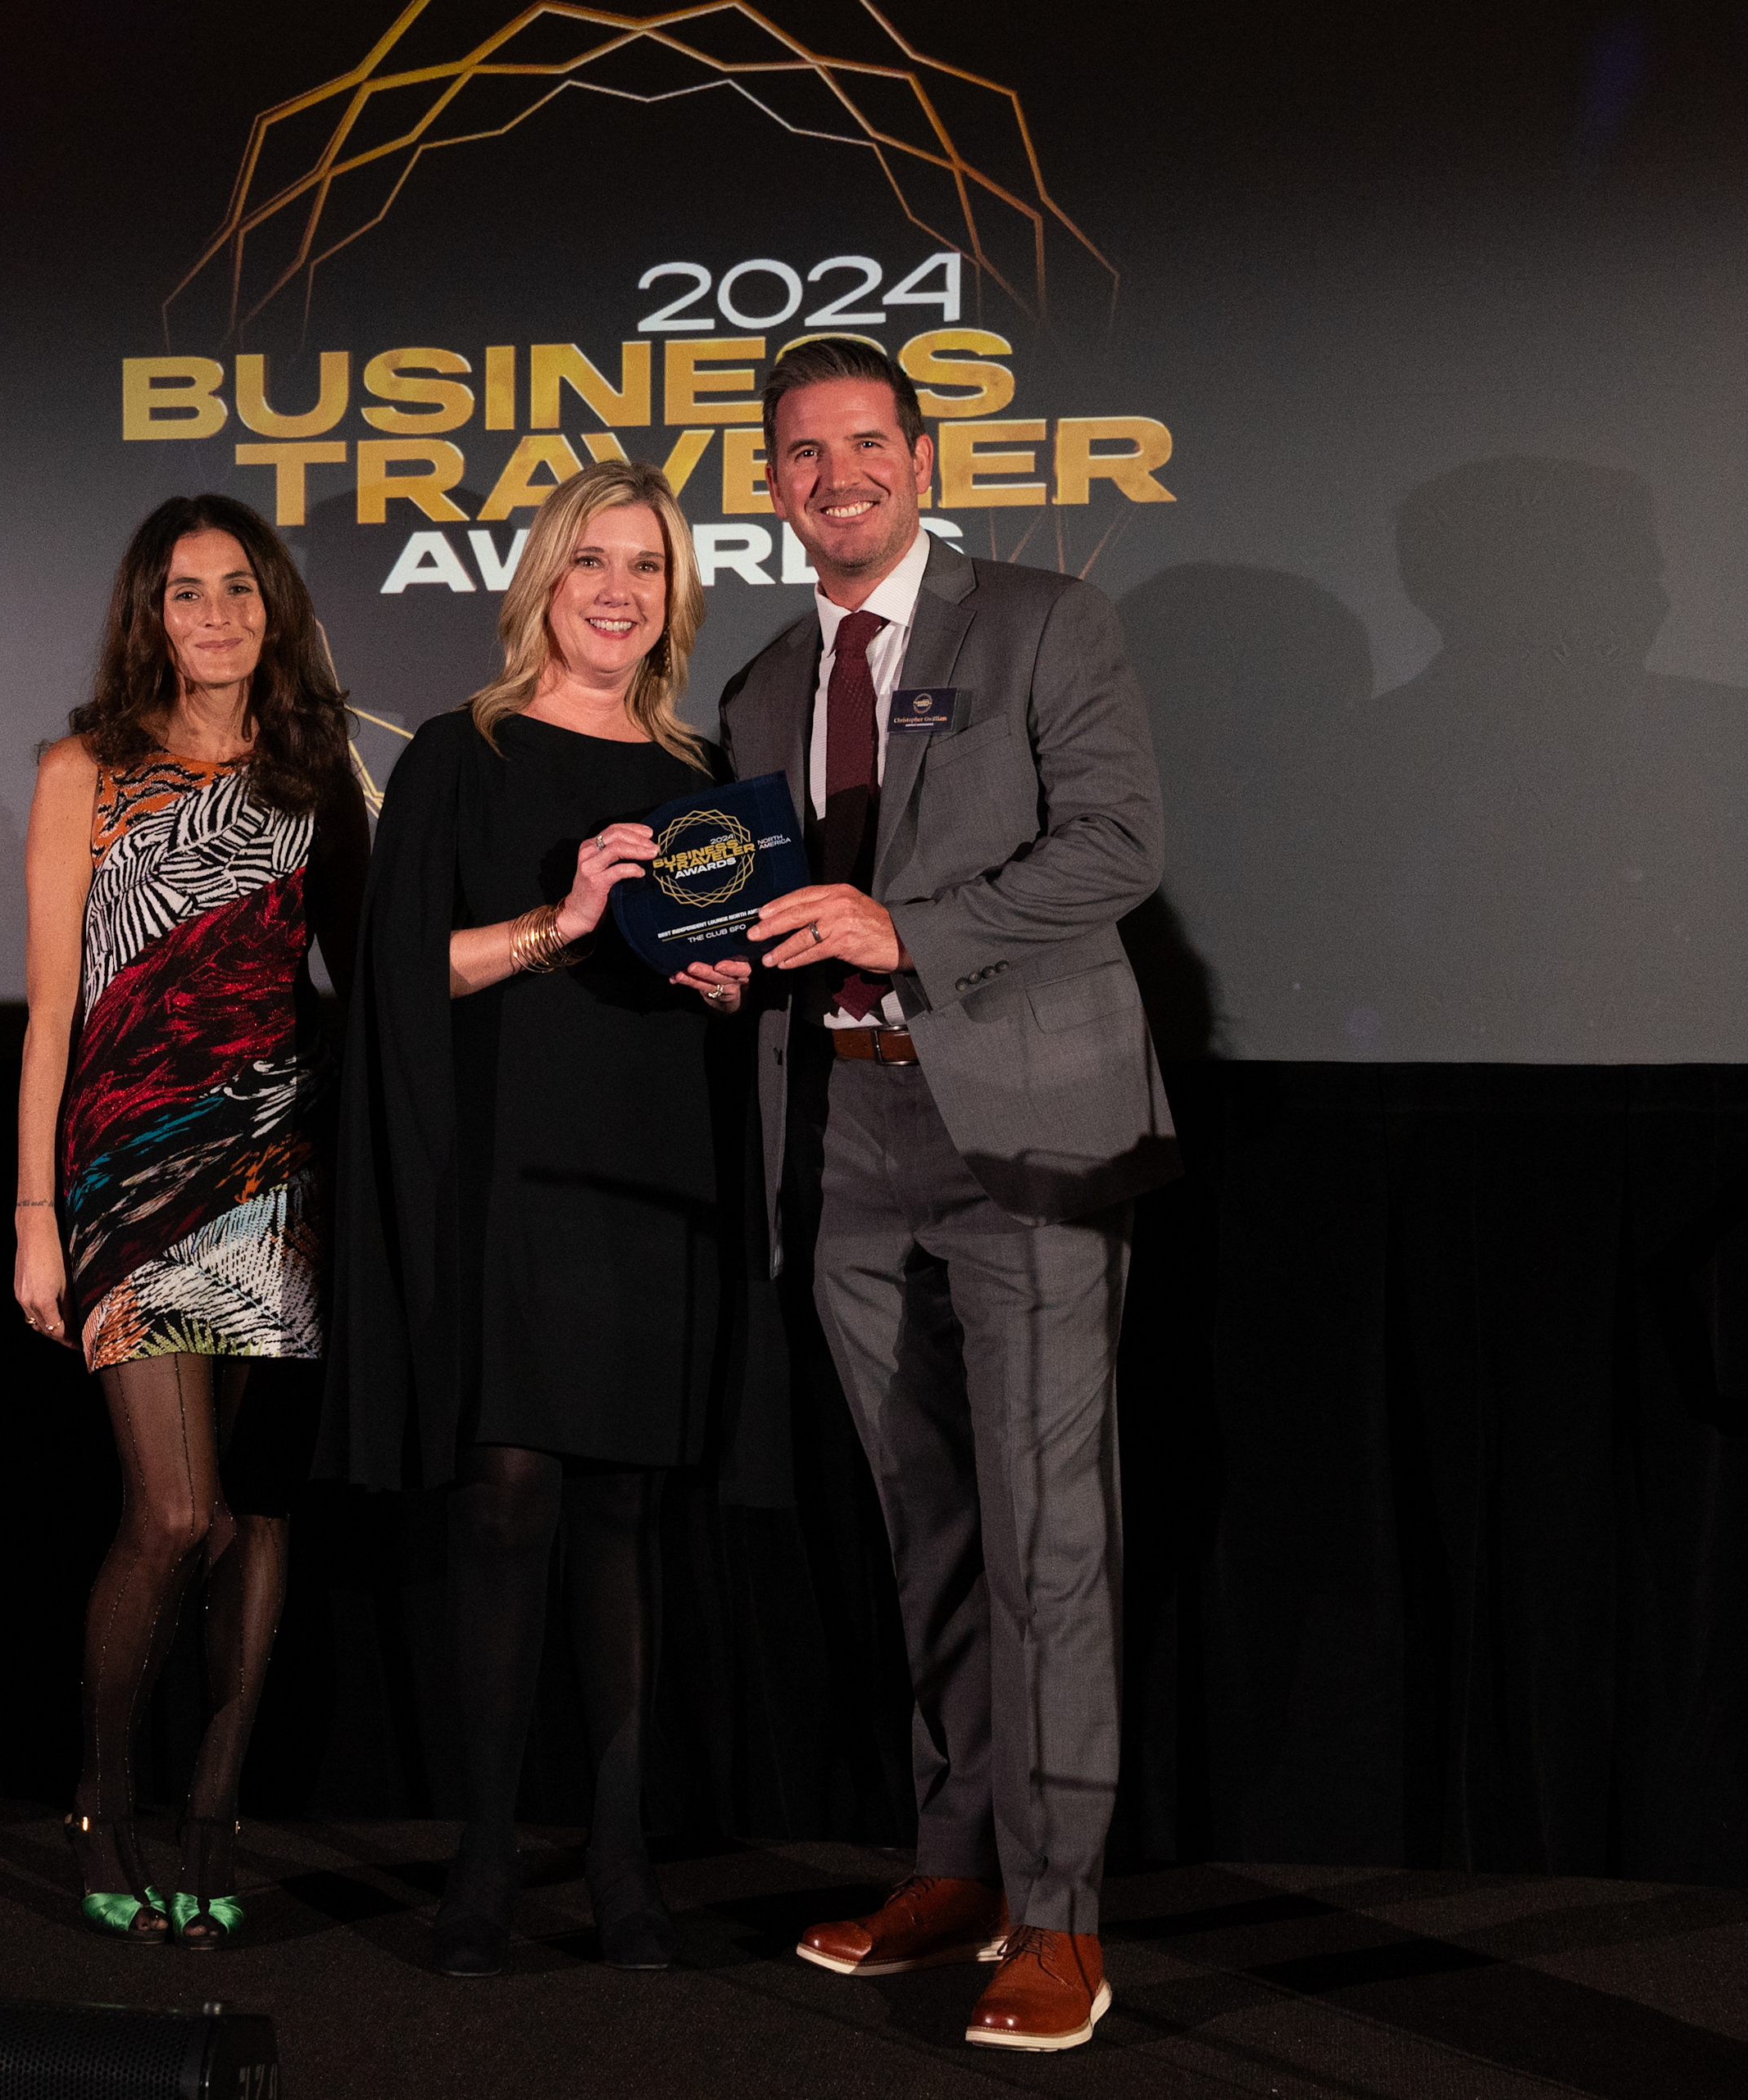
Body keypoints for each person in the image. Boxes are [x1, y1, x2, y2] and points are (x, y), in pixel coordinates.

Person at [699, 337, 1178, 2052]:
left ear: (918, 454)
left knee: (1051, 1536)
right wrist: (720, 963)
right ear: (769, 485)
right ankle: (959, 1863)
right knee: (932, 1536)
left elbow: (1120, 844)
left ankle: (1060, 1918)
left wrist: (920, 934)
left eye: (862, 442)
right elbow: (774, 918)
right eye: (800, 453)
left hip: (1025, 1137)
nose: (835, 473)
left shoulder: (1043, 621)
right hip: (845, 1151)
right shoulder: (755, 689)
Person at [324, 459, 769, 1979]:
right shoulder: (464, 752)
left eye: (646, 566)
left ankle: (627, 1864)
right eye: (591, 561)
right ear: (540, 585)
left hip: (659, 1174)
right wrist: (560, 925)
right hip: (509, 1169)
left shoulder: (709, 775)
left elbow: (734, 979)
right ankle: (486, 1860)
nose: (618, 591)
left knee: (628, 1521)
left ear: (675, 597)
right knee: (507, 1503)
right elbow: (401, 976)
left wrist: (731, 987)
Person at [13, 493, 366, 1950]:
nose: (213, 616)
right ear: (145, 614)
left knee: (260, 1513)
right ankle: (106, 1790)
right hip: (122, 1170)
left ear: (272, 606)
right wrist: (36, 1213)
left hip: (277, 1171)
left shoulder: (315, 771)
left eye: (237, 589)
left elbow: (378, 973)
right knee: (176, 1516)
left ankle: (213, 1812)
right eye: (182, 593)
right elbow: (51, 1010)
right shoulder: (84, 767)